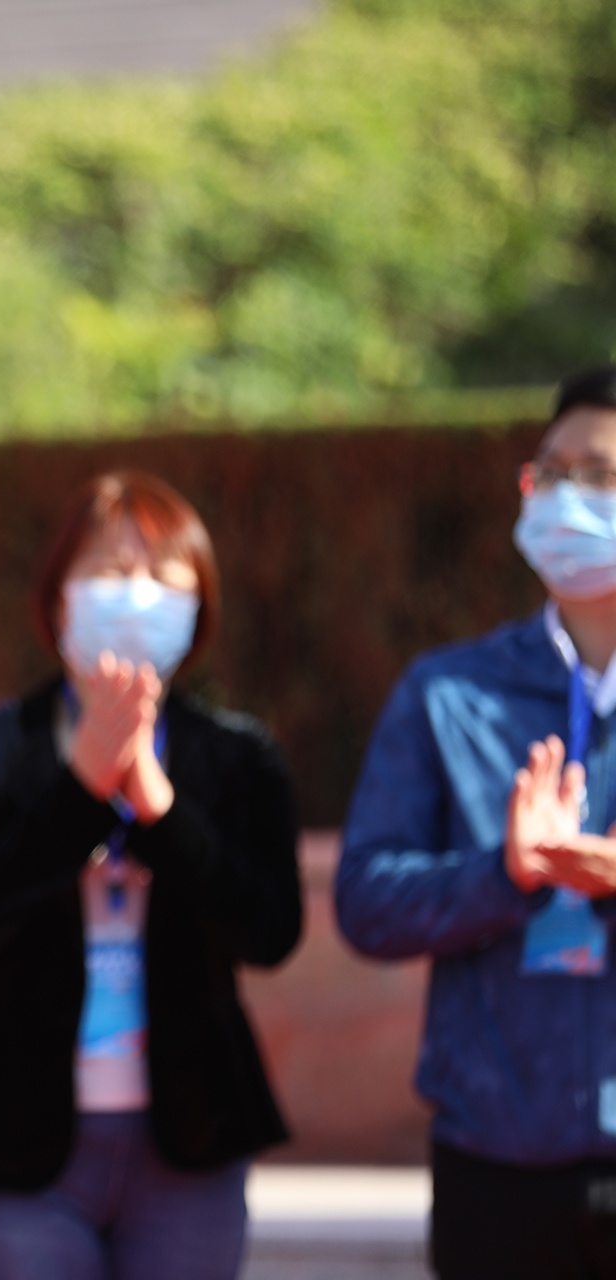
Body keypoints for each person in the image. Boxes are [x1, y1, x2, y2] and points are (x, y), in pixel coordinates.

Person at [0, 471, 301, 1280]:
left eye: (163, 574)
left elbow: (268, 929)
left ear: (199, 605)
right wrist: (81, 790)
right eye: (111, 570)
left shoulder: (238, 757)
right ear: (60, 598)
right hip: (11, 1141)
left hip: (188, 1142)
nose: (137, 593)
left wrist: (160, 811)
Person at [337, 365, 616, 1279]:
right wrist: (505, 875)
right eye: (553, 472)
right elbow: (366, 901)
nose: (569, 496)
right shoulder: (451, 692)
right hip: (495, 1161)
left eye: (601, 475)